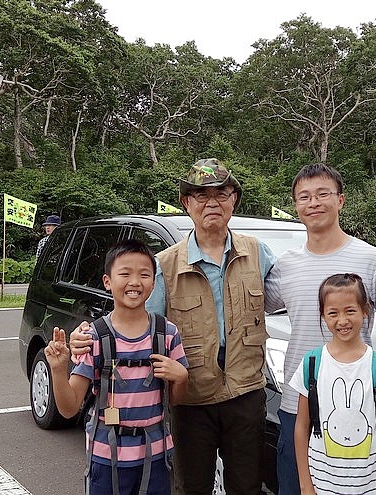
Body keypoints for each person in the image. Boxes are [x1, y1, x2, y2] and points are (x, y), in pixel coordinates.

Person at [71, 159, 276, 495]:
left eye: (221, 193)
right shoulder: (164, 265)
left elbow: (294, 299)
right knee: (190, 487)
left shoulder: (258, 253)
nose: (212, 202)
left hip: (246, 394)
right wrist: (88, 334)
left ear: (234, 199)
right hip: (190, 399)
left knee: (247, 486)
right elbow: (134, 321)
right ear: (187, 203)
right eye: (200, 195)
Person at [264, 163, 376, 494]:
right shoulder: (284, 266)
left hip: (360, 409)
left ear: (340, 200)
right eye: (304, 197)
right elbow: (249, 311)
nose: (313, 203)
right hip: (298, 406)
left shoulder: (371, 259)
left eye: (323, 194)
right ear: (295, 206)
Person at [44, 239, 189, 495]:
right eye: (125, 273)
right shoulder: (95, 337)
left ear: (154, 283)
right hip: (105, 458)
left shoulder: (166, 333)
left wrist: (182, 378)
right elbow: (68, 409)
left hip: (156, 456)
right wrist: (58, 369)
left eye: (144, 274)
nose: (135, 282)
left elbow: (176, 400)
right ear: (107, 281)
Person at [290, 273, 376, 495]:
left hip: (371, 486)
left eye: (350, 310)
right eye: (333, 313)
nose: (342, 321)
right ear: (323, 315)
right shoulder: (311, 364)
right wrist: (306, 485)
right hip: (322, 486)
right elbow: (302, 427)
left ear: (365, 310)